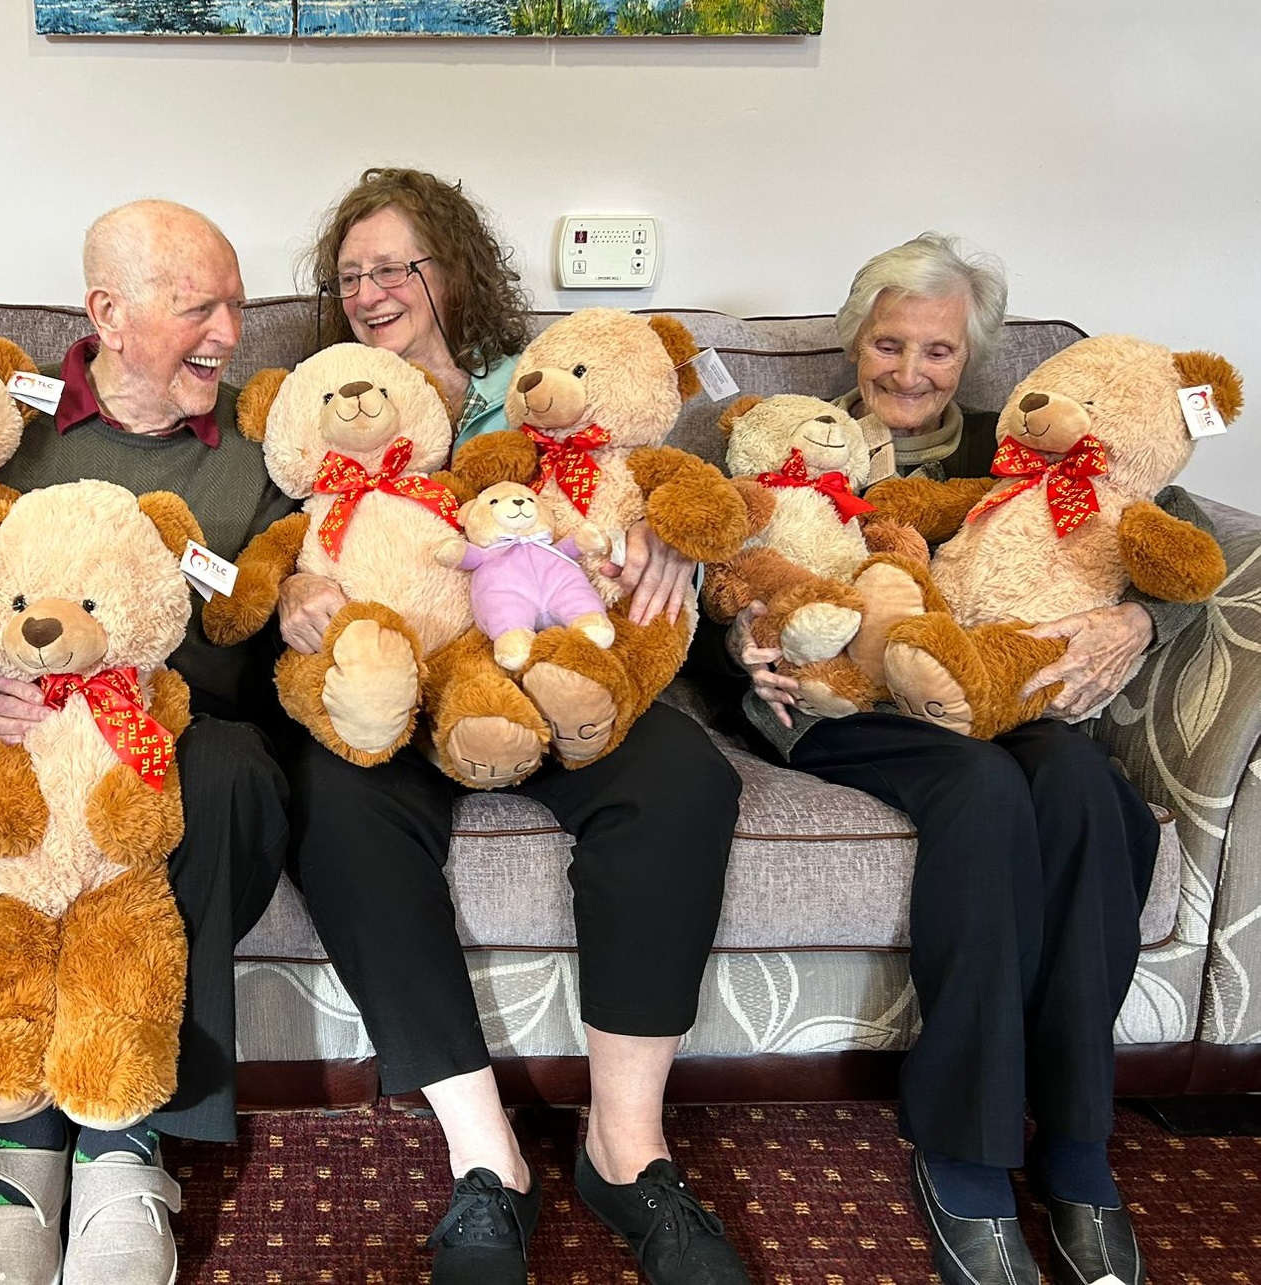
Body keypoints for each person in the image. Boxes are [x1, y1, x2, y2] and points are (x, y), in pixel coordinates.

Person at [286, 166, 752, 1285]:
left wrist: (670, 537)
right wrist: (299, 599)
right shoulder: (318, 401)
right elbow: (286, 544)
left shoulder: (532, 387)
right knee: (333, 806)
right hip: (403, 693)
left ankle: (623, 1148)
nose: (370, 290)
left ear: (453, 269)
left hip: (548, 675)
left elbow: (637, 478)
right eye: (349, 274)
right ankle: (484, 1160)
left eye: (396, 265)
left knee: (683, 779)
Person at [724, 232, 1212, 1285]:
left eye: (935, 351)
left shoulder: (1018, 447)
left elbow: (1155, 536)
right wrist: (745, 646)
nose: (908, 370)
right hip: (845, 702)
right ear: (854, 342)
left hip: (994, 687)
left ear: (969, 357)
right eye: (887, 343)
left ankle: (1078, 1148)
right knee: (982, 794)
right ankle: (966, 1152)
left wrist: (1132, 623)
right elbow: (726, 559)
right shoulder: (790, 447)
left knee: (1089, 794)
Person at [0, 198, 295, 1285]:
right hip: (22, 734)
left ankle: (125, 1134)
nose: (231, 334)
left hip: (186, 733)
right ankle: (15, 1142)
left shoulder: (256, 442)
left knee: (232, 773)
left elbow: (283, 590)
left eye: (235, 305)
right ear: (107, 310)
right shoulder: (13, 431)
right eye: (202, 308)